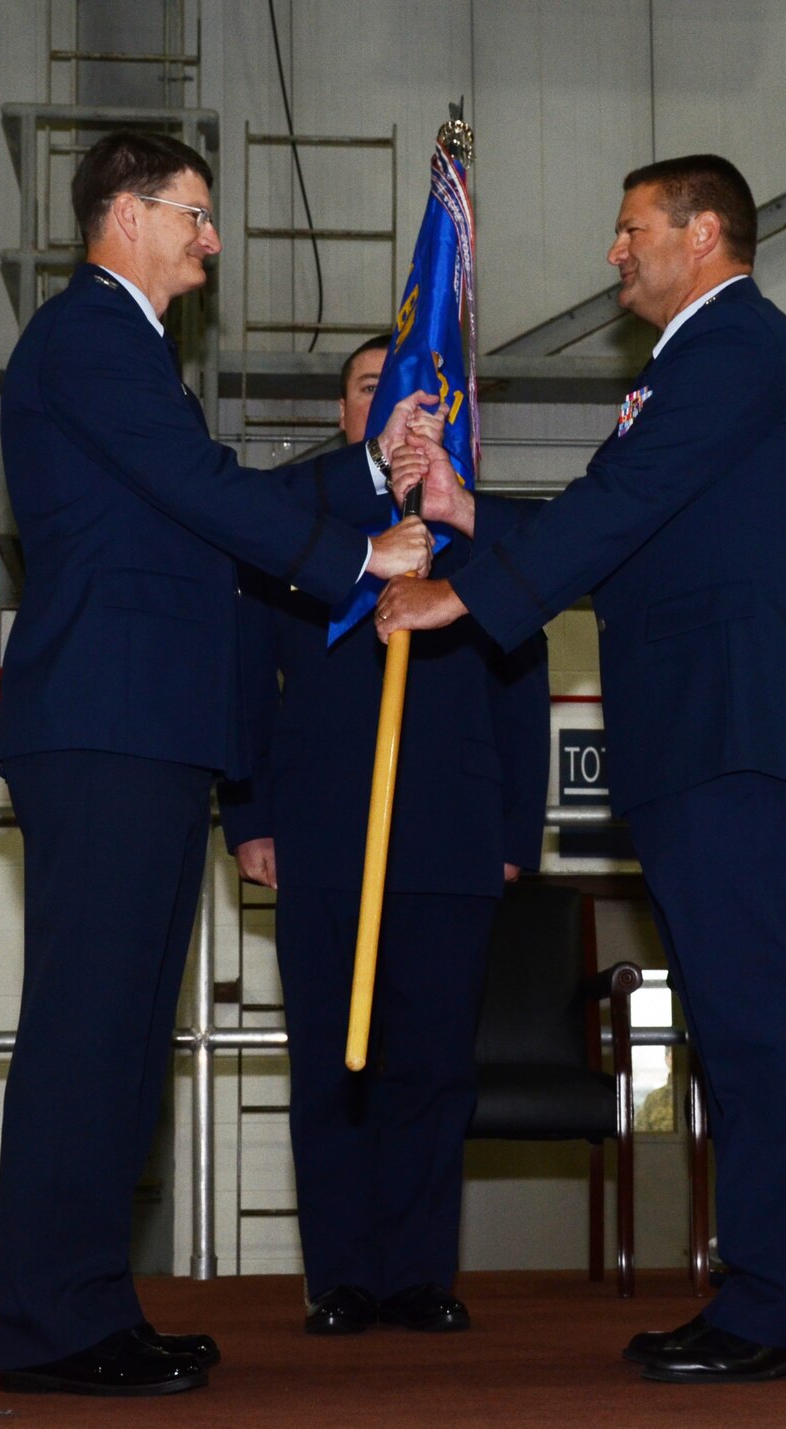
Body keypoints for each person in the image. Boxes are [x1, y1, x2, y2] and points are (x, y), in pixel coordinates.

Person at [377, 153, 786, 1386]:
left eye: (631, 228)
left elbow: (620, 505)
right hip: (706, 732)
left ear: (702, 234)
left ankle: (780, 1305)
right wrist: (472, 511)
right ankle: (778, 1296)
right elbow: (635, 522)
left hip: (737, 730)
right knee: (742, 1020)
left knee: (758, 1023)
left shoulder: (734, 351)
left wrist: (460, 590)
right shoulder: (700, 363)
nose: (614, 252)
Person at [0, 131, 438, 1399]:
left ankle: (85, 1307)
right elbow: (201, 492)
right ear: (124, 215)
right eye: (194, 214)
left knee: (125, 1038)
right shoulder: (89, 337)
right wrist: (363, 557)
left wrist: (362, 472)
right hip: (106, 721)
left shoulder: (123, 349)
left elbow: (202, 497)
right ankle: (53, 1324)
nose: (213, 238)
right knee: (91, 1032)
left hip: (139, 724)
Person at [219, 334, 549, 1338]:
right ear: (343, 410)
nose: (399, 409)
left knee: (433, 1065)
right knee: (332, 1058)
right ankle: (343, 1277)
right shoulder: (290, 509)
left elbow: (520, 685)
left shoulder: (480, 522)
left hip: (452, 827)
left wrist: (513, 829)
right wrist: (249, 814)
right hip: (319, 825)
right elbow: (245, 672)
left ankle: (415, 1274)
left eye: (418, 394)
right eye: (373, 389)